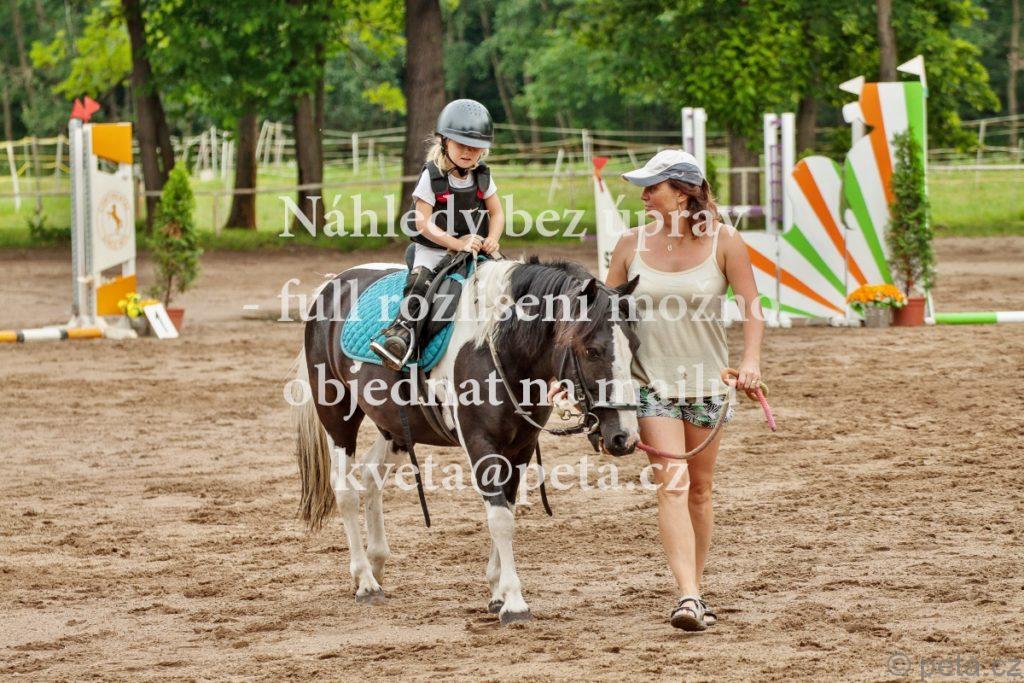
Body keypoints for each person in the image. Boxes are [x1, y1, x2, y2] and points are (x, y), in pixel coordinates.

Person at [605, 149, 765, 631]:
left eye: (652, 187)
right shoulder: (628, 244)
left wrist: (751, 361)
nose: (643, 195)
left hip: (708, 383)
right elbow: (600, 318)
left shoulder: (725, 241)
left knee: (700, 490)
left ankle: (696, 587)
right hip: (649, 383)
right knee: (671, 485)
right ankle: (689, 597)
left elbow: (752, 305)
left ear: (682, 192)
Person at [371, 99, 504, 370]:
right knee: (420, 284)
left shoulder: (483, 177)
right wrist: (456, 243)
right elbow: (422, 222)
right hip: (433, 249)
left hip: (473, 248)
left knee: (505, 280)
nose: (468, 152)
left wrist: (493, 238)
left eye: (475, 146)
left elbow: (497, 213)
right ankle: (401, 335)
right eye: (461, 144)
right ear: (444, 141)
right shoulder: (432, 176)